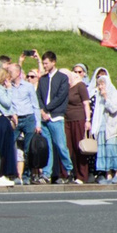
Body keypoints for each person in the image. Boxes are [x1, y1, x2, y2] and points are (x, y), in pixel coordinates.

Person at [34, 52, 74, 183]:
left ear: (53, 62)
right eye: (43, 63)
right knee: (48, 147)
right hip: (44, 117)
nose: (44, 66)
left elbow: (60, 97)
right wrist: (42, 110)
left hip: (56, 116)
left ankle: (69, 170)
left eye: (46, 63)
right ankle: (46, 173)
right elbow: (39, 96)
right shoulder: (43, 79)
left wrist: (47, 109)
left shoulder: (62, 78)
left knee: (61, 145)